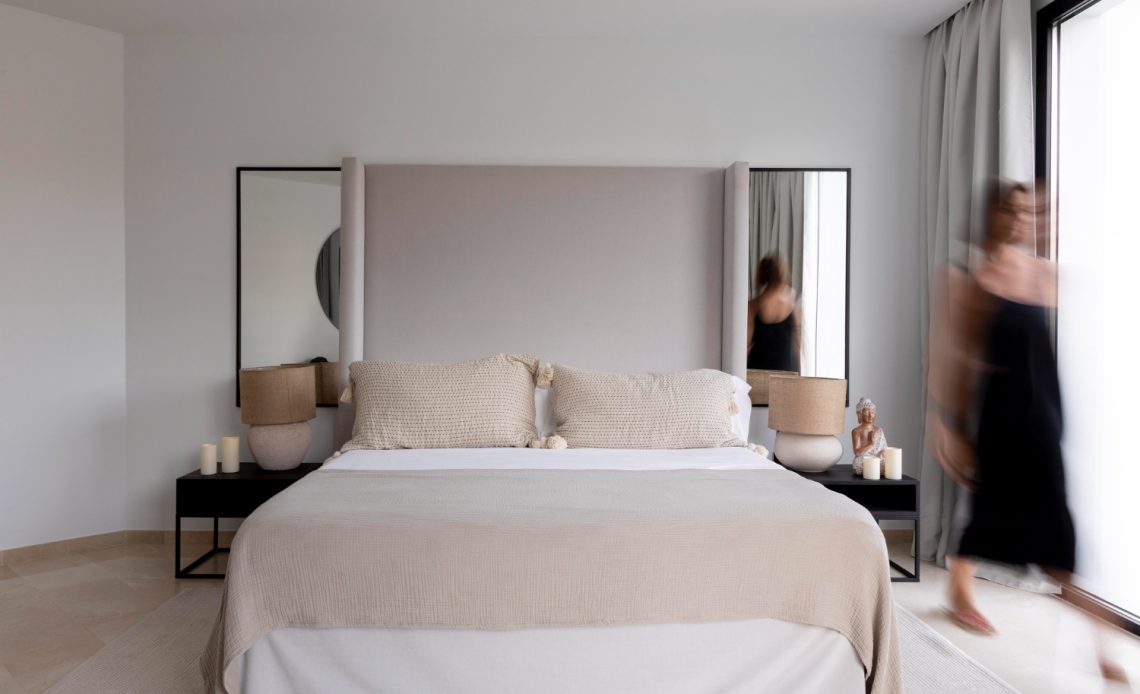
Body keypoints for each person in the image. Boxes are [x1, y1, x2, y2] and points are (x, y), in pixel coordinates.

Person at [927, 181, 1127, 683]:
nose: (1019, 218)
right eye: (1009, 209)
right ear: (991, 215)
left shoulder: (1041, 274)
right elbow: (961, 360)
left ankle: (1096, 637)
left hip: (1045, 422)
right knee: (993, 515)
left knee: (1057, 532)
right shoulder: (974, 281)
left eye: (1026, 210)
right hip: (1001, 422)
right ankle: (1098, 648)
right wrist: (950, 426)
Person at [746, 255, 800, 372]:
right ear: (781, 273)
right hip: (784, 368)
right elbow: (797, 341)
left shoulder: (754, 305)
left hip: (758, 369)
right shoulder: (791, 300)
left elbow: (746, 341)